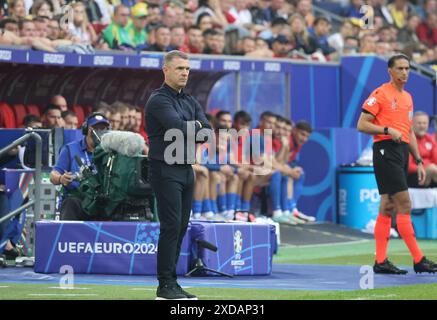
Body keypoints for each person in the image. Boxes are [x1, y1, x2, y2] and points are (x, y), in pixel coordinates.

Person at [357, 54, 437, 274]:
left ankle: (380, 261)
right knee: (405, 204)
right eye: (400, 68)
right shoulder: (380, 94)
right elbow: (362, 124)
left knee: (388, 206)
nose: (404, 73)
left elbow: (408, 131)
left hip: (401, 152)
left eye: (407, 69)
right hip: (385, 150)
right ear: (390, 71)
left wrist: (418, 160)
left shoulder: (408, 98)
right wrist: (385, 130)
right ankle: (419, 259)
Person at [145, 50, 212, 300]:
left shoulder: (190, 101)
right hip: (164, 168)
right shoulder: (158, 100)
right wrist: (194, 126)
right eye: (179, 68)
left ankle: (172, 282)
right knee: (171, 226)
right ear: (166, 70)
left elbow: (208, 132)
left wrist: (192, 128)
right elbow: (177, 129)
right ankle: (165, 285)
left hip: (186, 168)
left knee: (182, 226)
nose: (184, 73)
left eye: (187, 69)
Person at [49, 113, 111, 220]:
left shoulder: (109, 151)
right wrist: (61, 178)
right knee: (70, 203)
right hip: (78, 199)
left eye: (103, 128)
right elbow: (53, 175)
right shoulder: (70, 149)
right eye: (96, 128)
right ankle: (67, 236)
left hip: (100, 200)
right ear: (86, 129)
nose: (100, 131)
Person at [407, 111, 437, 188]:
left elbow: (435, 161)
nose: (422, 126)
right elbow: (408, 166)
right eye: (419, 123)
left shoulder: (431, 139)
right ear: (412, 124)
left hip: (431, 176)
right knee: (432, 168)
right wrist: (426, 168)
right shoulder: (408, 140)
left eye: (424, 123)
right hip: (412, 176)